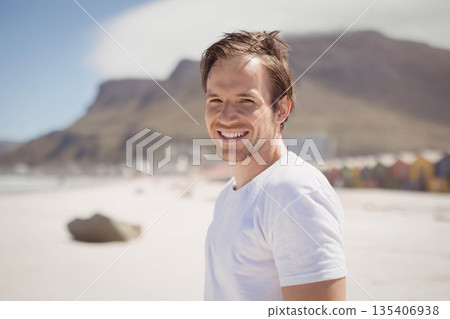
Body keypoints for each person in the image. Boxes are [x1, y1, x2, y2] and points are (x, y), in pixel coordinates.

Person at [201, 30, 346, 301]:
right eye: (215, 100)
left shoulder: (294, 192)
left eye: (246, 100)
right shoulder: (228, 194)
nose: (226, 116)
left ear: (281, 110)